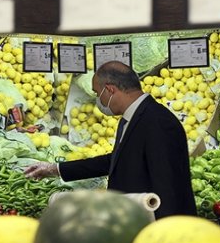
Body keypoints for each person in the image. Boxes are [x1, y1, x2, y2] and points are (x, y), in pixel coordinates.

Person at [25, 61, 197, 219]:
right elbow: (115, 161)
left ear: (110, 90)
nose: (98, 100)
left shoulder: (158, 122)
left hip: (157, 224)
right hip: (135, 219)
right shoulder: (131, 119)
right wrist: (55, 169)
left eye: (97, 93)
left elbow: (167, 183)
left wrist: (164, 233)